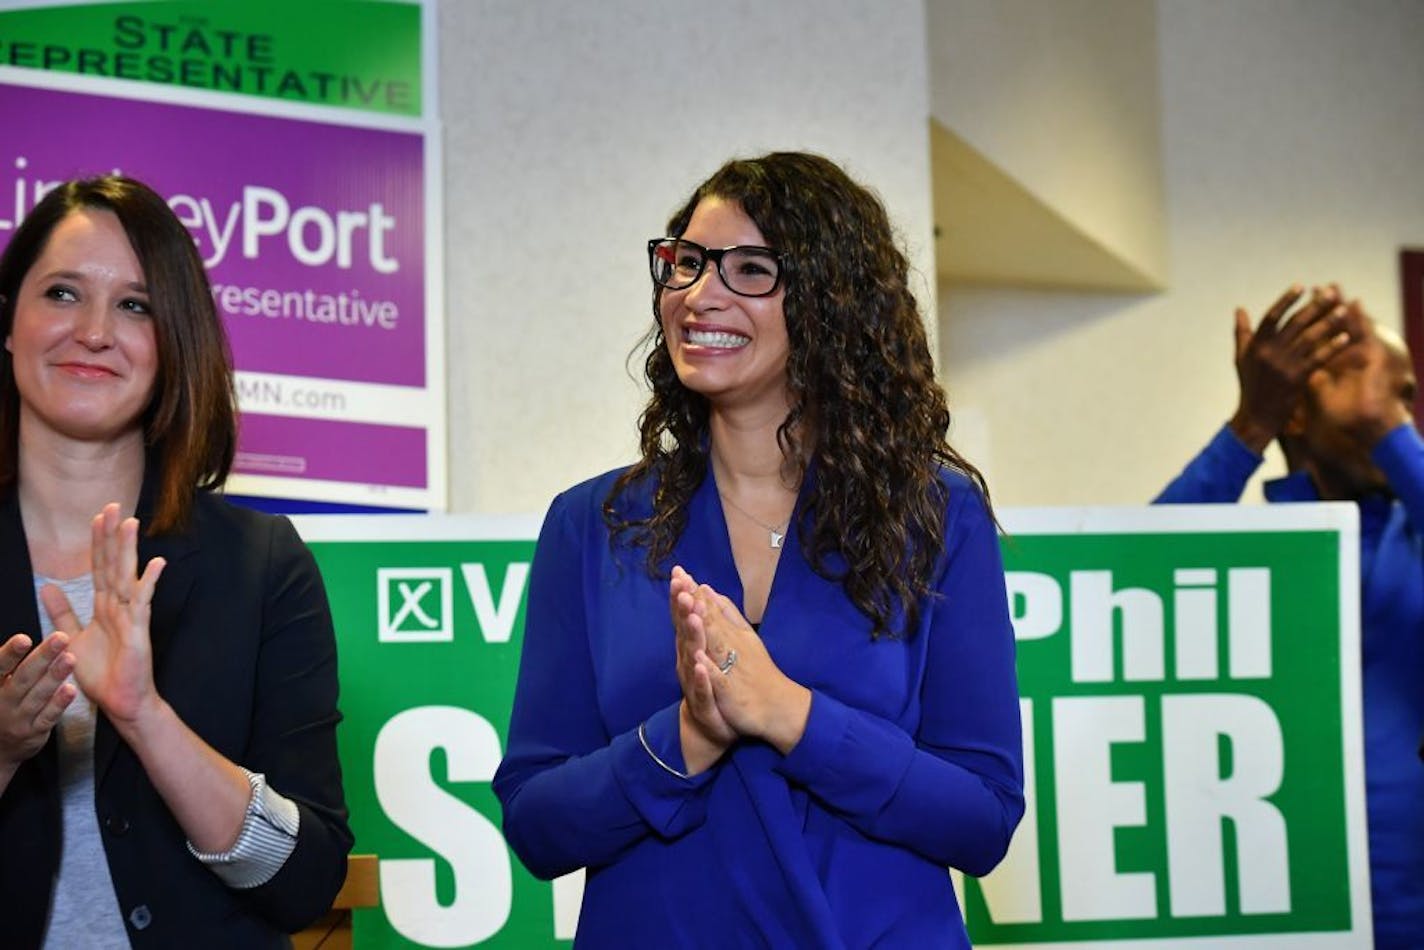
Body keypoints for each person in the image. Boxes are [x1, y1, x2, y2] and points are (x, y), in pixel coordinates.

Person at [493, 152, 1024, 947]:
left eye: (750, 270)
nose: (700, 295)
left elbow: (982, 818)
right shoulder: (594, 523)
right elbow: (537, 825)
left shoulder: (935, 518)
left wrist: (792, 715)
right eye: (687, 263)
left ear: (830, 302)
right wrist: (687, 739)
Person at [0, 176, 352, 947]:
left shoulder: (261, 566)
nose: (94, 331)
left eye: (136, 305)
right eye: (62, 293)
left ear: (174, 342)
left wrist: (144, 718)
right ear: (9, 321)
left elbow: (305, 883)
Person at [1157, 285, 1424, 948]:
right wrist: (1251, 423)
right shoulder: (1249, 555)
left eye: (1405, 396)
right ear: (1297, 416)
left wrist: (1388, 435)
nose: (1391, 408)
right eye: (1359, 382)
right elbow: (1139, 571)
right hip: (1282, 912)